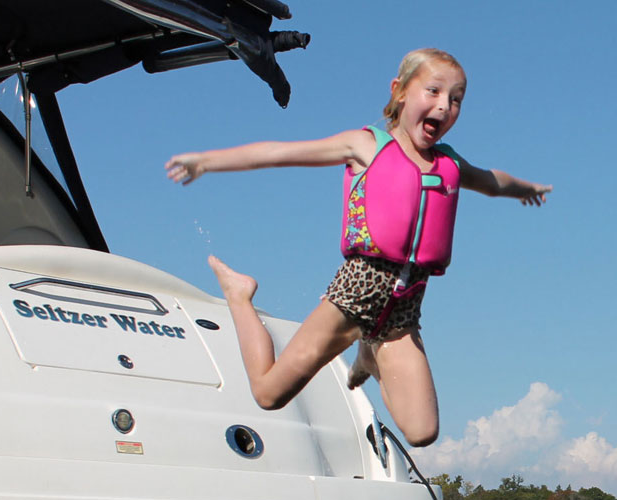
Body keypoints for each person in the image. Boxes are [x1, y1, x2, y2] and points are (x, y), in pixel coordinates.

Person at [166, 48, 550, 447]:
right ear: (400, 91)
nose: (444, 105)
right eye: (433, 91)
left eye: (456, 99)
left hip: (403, 313)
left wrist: (527, 189)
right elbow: (280, 152)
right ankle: (239, 294)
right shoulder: (366, 146)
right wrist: (207, 161)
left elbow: (491, 181)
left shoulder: (447, 163)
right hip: (353, 296)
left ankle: (370, 353)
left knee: (423, 432)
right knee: (268, 394)